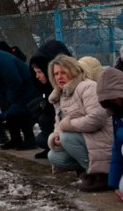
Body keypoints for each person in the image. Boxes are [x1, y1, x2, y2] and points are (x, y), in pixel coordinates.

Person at [47, 54, 113, 192]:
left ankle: (102, 175)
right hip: (84, 139)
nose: (59, 77)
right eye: (56, 74)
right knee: (54, 156)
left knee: (67, 137)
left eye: (63, 72)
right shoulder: (61, 94)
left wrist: (66, 127)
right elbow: (58, 121)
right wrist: (56, 135)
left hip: (101, 138)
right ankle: (87, 171)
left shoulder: (87, 87)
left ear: (73, 71)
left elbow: (96, 119)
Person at [29, 40, 72, 159]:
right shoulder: (47, 88)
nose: (37, 76)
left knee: (43, 135)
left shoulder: (66, 88)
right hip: (59, 131)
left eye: (39, 72)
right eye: (35, 72)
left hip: (70, 131)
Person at [96, 68, 123, 203]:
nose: (113, 102)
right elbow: (116, 148)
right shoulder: (118, 109)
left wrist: (122, 133)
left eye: (113, 96)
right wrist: (115, 183)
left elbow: (120, 139)